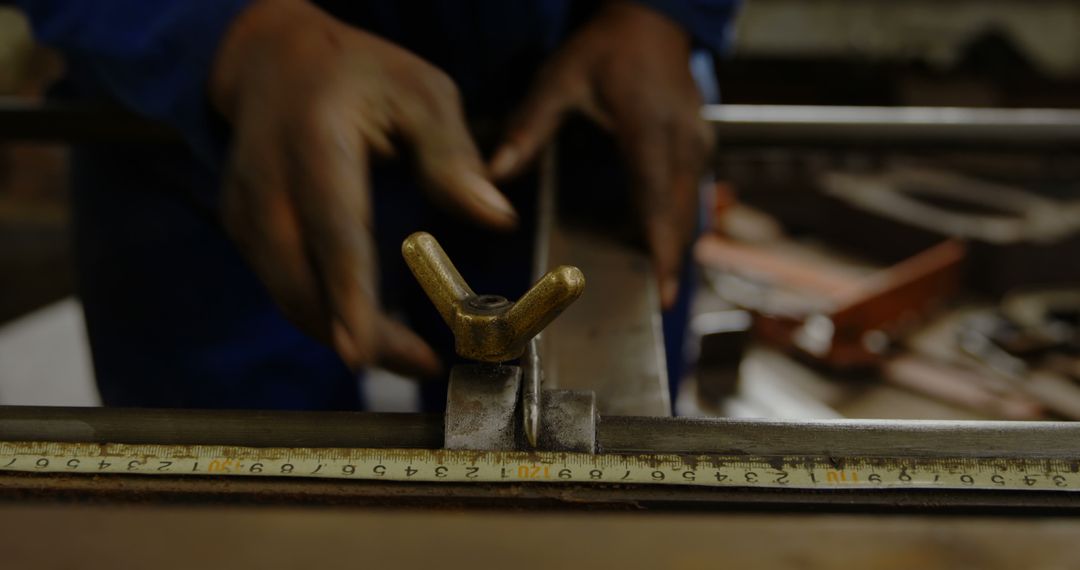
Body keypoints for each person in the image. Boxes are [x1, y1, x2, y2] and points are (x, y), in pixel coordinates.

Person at [19, 0, 740, 410]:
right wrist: (224, 34)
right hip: (213, 133)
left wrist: (665, 13)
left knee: (594, 502)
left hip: (587, 113)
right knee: (234, 520)